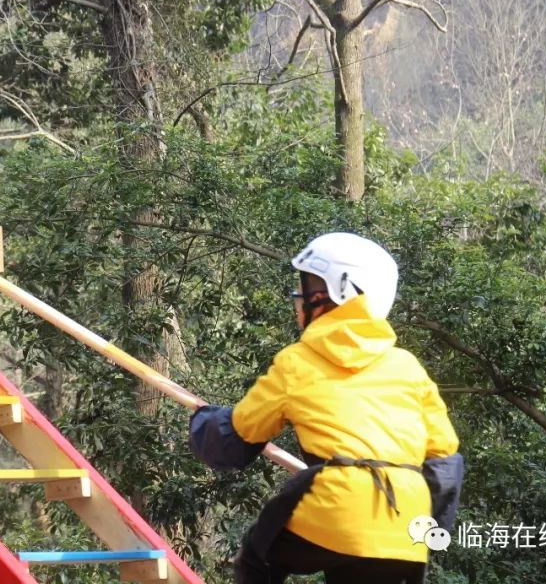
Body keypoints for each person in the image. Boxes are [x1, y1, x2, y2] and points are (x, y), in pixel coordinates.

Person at [189, 232, 464, 584]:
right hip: (403, 530)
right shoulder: (408, 366)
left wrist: (204, 421)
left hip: (335, 511)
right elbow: (445, 466)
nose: (298, 299)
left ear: (334, 294)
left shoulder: (297, 361)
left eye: (307, 288)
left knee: (258, 555)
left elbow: (235, 438)